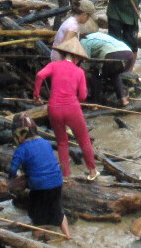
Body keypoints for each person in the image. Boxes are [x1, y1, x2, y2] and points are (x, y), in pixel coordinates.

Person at [33, 37, 100, 180]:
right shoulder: (79, 71)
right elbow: (83, 95)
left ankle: (65, 176)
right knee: (84, 140)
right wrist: (76, 100)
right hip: (72, 108)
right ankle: (92, 172)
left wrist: (36, 96)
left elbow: (39, 75)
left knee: (62, 142)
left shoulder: (54, 65)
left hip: (54, 108)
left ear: (63, 54)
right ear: (76, 58)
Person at [5, 114, 71, 237]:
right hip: (57, 181)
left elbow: (13, 169)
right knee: (58, 211)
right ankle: (67, 236)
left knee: (37, 217)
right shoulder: (45, 143)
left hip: (39, 185)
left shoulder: (22, 149)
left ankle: (35, 241)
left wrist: (10, 181)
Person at [79, 19, 135, 106]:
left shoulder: (84, 40)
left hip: (112, 56)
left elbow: (86, 59)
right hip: (129, 54)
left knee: (95, 75)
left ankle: (95, 104)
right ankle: (123, 100)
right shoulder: (100, 35)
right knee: (115, 74)